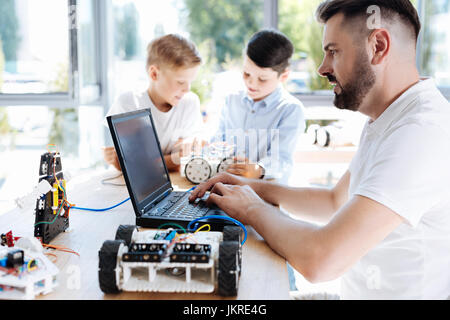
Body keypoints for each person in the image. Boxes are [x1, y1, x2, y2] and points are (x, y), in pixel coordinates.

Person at [190, 0, 450, 300]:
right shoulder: (387, 116)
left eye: (333, 51)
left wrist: (251, 208)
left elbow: (321, 261)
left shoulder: (420, 133)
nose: (322, 67)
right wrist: (252, 188)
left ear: (378, 45)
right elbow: (333, 201)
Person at [212, 29, 305, 183]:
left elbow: (282, 159)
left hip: (264, 194)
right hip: (226, 187)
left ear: (284, 76)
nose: (251, 83)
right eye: (246, 74)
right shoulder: (231, 101)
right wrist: (214, 148)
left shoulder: (290, 109)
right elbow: (218, 139)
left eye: (262, 79)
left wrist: (259, 170)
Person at [103, 34, 204, 172]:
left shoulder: (189, 102)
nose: (187, 89)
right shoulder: (129, 104)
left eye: (190, 82)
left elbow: (190, 160)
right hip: (125, 188)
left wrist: (154, 161)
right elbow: (128, 167)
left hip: (173, 183)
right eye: (180, 82)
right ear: (154, 74)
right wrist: (173, 159)